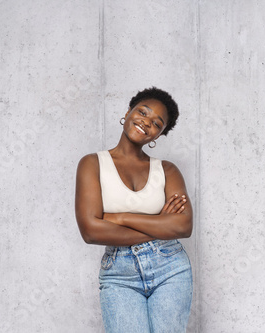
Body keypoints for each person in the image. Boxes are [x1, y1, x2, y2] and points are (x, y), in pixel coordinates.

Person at [75, 87, 193, 333]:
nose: (146, 123)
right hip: (120, 273)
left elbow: (183, 226)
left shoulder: (168, 170)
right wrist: (160, 224)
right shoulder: (92, 164)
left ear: (158, 135)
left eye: (156, 123)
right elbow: (91, 231)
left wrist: (118, 218)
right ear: (128, 112)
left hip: (170, 267)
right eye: (142, 112)